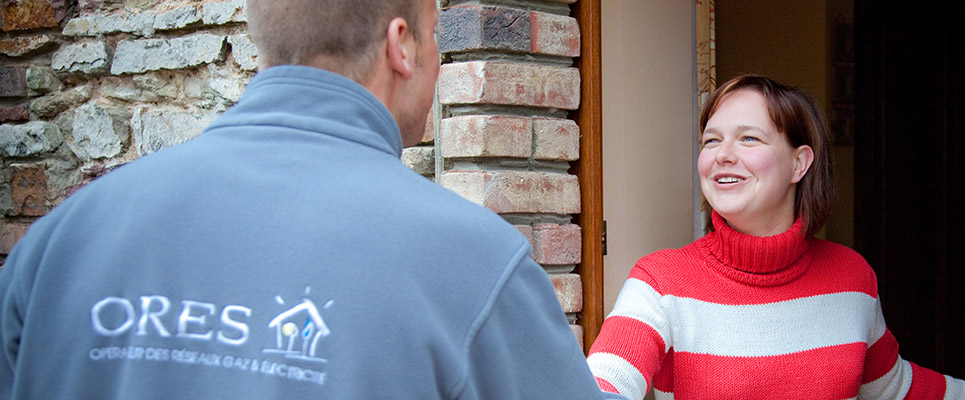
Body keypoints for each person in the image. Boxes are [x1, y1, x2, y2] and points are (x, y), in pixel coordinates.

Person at [0, 0, 623, 399]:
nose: (436, 62)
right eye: (436, 37)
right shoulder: (476, 265)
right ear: (401, 45)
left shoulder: (64, 239)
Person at [586, 75, 965, 399]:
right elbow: (602, 383)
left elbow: (894, 388)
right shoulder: (659, 281)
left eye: (749, 139)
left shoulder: (852, 277)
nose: (722, 155)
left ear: (799, 163)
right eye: (711, 140)